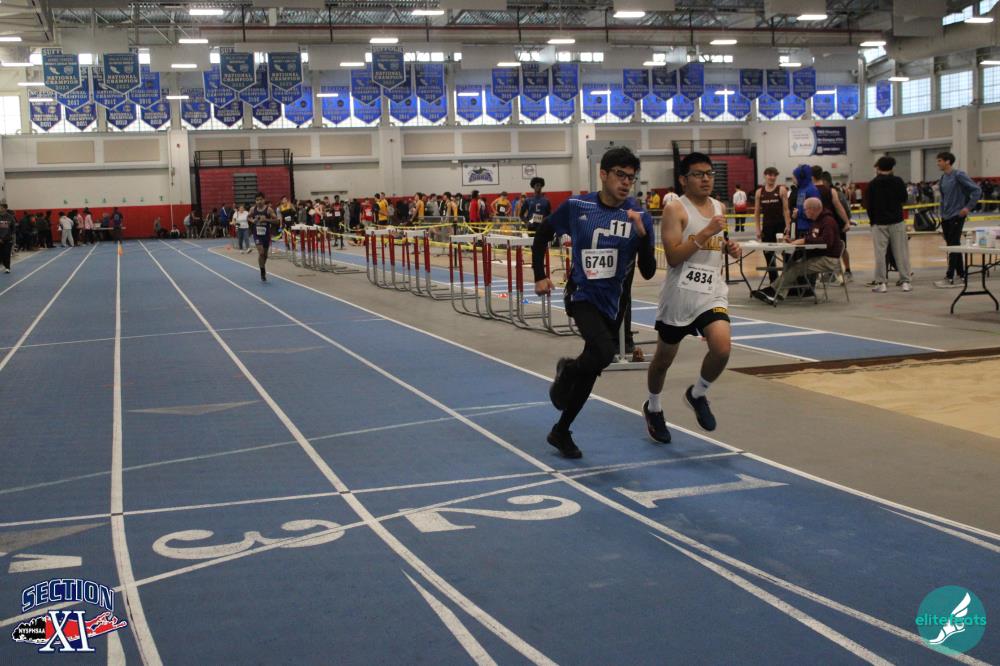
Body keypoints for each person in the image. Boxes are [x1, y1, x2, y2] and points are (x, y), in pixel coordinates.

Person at [532, 146, 656, 458]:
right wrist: (540, 275)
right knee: (603, 352)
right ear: (603, 174)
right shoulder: (577, 206)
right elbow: (542, 234)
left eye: (631, 178)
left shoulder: (639, 216)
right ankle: (568, 371)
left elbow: (649, 270)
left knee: (593, 367)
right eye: (620, 175)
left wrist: (643, 236)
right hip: (582, 294)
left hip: (614, 304)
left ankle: (561, 430)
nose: (626, 182)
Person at [644, 152, 741, 442]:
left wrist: (729, 248)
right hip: (680, 296)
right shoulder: (675, 209)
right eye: (698, 174)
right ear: (684, 180)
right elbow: (673, 257)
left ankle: (697, 394)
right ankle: (654, 407)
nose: (706, 179)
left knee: (722, 348)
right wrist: (706, 232)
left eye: (709, 173)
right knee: (663, 360)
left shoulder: (719, 206)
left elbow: (716, 243)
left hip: (711, 294)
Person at [767, 198, 843, 301]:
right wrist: (795, 241)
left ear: (812, 209)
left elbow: (827, 241)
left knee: (795, 269)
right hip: (819, 256)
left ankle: (773, 291)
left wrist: (804, 240)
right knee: (792, 265)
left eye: (805, 209)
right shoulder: (816, 222)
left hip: (829, 259)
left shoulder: (828, 221)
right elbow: (812, 238)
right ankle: (777, 291)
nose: (804, 211)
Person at [935, 151, 982, 288]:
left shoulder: (959, 175)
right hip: (946, 216)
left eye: (939, 161)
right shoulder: (943, 177)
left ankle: (949, 277)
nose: (938, 163)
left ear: (947, 161)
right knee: (953, 246)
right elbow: (944, 198)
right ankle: (961, 276)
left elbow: (977, 190)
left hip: (957, 215)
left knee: (953, 246)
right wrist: (942, 214)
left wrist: (968, 207)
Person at [864, 157, 911, 292]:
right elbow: (904, 199)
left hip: (879, 223)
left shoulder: (872, 184)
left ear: (878, 168)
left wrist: (872, 222)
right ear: (892, 168)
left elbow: (868, 205)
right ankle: (905, 281)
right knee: (901, 252)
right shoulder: (898, 181)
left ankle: (881, 283)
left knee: (880, 254)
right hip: (897, 221)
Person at [752, 167, 791, 293]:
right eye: (770, 175)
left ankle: (787, 282)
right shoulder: (759, 192)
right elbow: (757, 212)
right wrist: (758, 229)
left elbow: (786, 210)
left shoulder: (781, 190)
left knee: (786, 255)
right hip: (767, 228)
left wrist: (788, 226)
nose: (772, 177)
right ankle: (774, 284)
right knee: (769, 257)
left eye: (774, 175)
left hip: (780, 227)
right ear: (765, 176)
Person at [248, 193, 278, 281]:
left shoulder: (268, 210)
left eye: (261, 199)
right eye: (257, 200)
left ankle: (262, 267)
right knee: (261, 253)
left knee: (265, 255)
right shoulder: (253, 209)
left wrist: (266, 220)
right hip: (257, 235)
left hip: (266, 235)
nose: (259, 201)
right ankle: (262, 271)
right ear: (255, 201)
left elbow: (276, 221)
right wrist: (252, 221)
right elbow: (248, 217)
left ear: (264, 200)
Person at [0, 202, 15, 273]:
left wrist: (11, 236)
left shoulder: (10, 217)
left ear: (5, 209)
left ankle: (7, 267)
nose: (0, 209)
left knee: (7, 253)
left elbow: (12, 228)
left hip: (7, 239)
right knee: (1, 254)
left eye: (1, 208)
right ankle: (4, 264)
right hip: (0, 239)